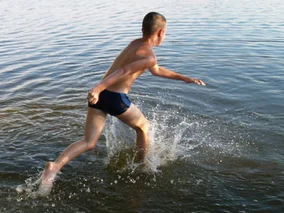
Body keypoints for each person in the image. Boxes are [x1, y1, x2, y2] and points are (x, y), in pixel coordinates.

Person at [39, 12, 206, 193]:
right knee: (143, 127)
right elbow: (125, 71)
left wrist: (184, 78)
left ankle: (54, 167)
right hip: (113, 96)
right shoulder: (149, 56)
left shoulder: (135, 44)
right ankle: (143, 166)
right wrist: (98, 88)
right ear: (160, 33)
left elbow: (156, 70)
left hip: (101, 95)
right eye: (165, 33)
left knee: (88, 142)